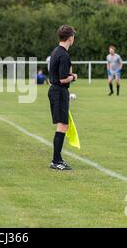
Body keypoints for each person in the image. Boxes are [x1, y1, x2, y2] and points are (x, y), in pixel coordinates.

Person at [48, 25, 78, 171]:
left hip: (55, 91)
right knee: (62, 125)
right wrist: (73, 77)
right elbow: (62, 79)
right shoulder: (64, 55)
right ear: (70, 37)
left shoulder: (56, 51)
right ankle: (55, 160)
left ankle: (58, 158)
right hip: (59, 91)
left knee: (63, 125)